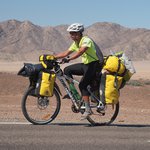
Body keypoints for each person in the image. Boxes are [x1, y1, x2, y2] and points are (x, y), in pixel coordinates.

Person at [54, 23, 104, 120]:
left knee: (82, 85)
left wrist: (69, 59)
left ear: (80, 33)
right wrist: (52, 57)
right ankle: (74, 93)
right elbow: (66, 53)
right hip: (86, 65)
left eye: (74, 33)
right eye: (71, 34)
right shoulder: (76, 43)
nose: (72, 36)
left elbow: (81, 51)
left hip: (94, 65)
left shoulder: (86, 40)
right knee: (67, 70)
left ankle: (88, 109)